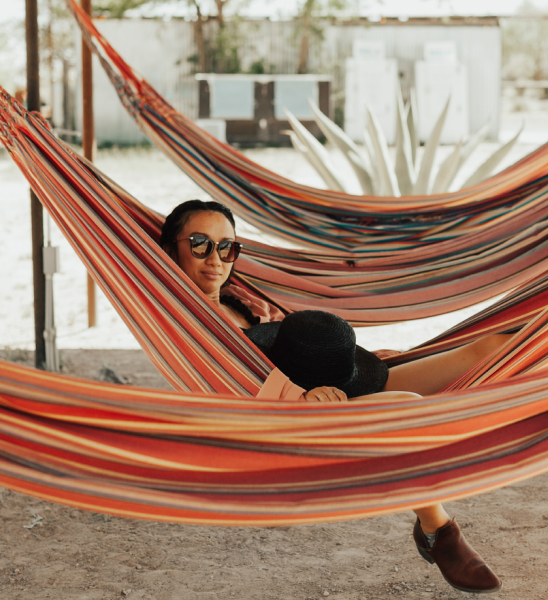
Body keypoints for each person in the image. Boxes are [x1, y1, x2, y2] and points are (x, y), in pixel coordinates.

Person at [161, 199, 504, 594]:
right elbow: (233, 390)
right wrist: (301, 400)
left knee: (490, 348)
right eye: (200, 244)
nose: (216, 259)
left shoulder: (237, 299)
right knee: (408, 410)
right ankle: (438, 529)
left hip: (341, 385)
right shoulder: (186, 324)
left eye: (228, 247)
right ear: (171, 250)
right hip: (300, 421)